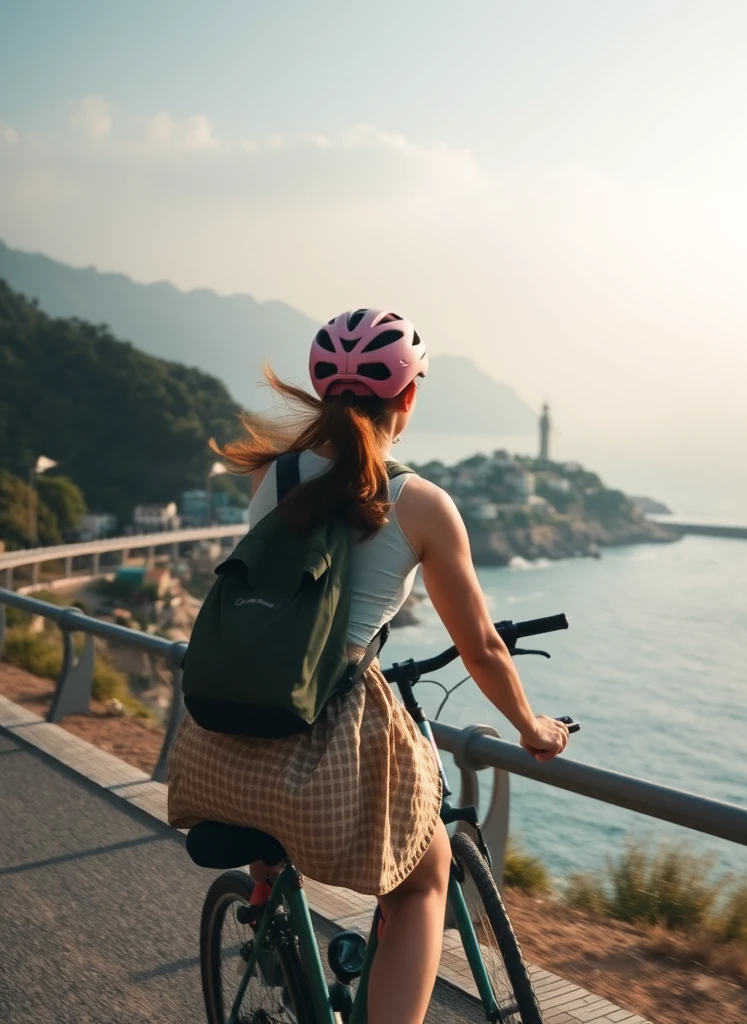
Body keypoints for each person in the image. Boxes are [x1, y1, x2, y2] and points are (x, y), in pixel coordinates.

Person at [167, 308, 570, 1024]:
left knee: (277, 820)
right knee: (424, 880)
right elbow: (481, 648)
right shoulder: (421, 503)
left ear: (323, 395)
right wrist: (532, 727)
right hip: (330, 743)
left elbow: (268, 613)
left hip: (227, 739)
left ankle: (271, 900)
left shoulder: (276, 478)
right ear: (409, 397)